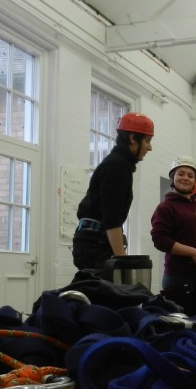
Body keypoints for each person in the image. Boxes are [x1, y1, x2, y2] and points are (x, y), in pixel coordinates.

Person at [73, 112, 154, 272]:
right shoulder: (117, 166)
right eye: (147, 141)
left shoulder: (119, 164)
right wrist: (122, 261)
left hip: (93, 242)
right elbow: (111, 218)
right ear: (132, 138)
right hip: (95, 245)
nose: (149, 147)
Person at [151, 155, 196, 315]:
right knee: (183, 326)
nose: (186, 178)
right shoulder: (166, 207)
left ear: (194, 181)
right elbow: (159, 239)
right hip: (179, 281)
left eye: (190, 175)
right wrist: (192, 252)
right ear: (173, 177)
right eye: (181, 174)